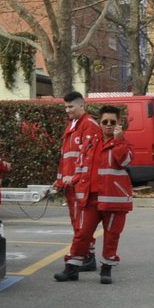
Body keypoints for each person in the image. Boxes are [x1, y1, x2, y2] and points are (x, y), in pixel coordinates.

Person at [52, 91, 102, 281]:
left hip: (81, 185)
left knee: (82, 225)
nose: (68, 110)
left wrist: (74, 178)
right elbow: (65, 158)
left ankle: (84, 258)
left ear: (82, 105)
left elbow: (88, 159)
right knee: (78, 224)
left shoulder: (89, 126)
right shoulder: (72, 126)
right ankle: (87, 256)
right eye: (66, 107)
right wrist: (59, 181)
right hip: (71, 185)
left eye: (71, 106)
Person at [82, 104, 134, 284]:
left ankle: (106, 269)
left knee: (112, 236)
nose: (109, 125)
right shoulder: (93, 141)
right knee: (83, 233)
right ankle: (71, 267)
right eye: (105, 121)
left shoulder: (124, 143)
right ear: (100, 123)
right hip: (93, 197)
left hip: (114, 199)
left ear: (120, 123)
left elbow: (125, 160)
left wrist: (119, 140)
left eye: (113, 122)